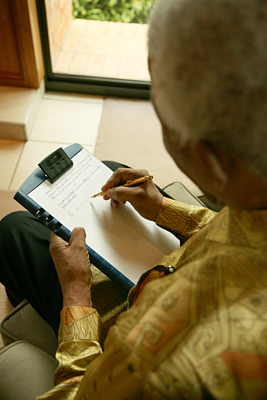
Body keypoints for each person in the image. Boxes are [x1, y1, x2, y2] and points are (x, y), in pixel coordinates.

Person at [1, 0, 267, 398]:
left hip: (124, 325)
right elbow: (237, 227)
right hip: (179, 270)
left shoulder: (157, 365)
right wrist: (162, 208)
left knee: (12, 232)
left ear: (208, 158)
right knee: (108, 168)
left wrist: (75, 293)